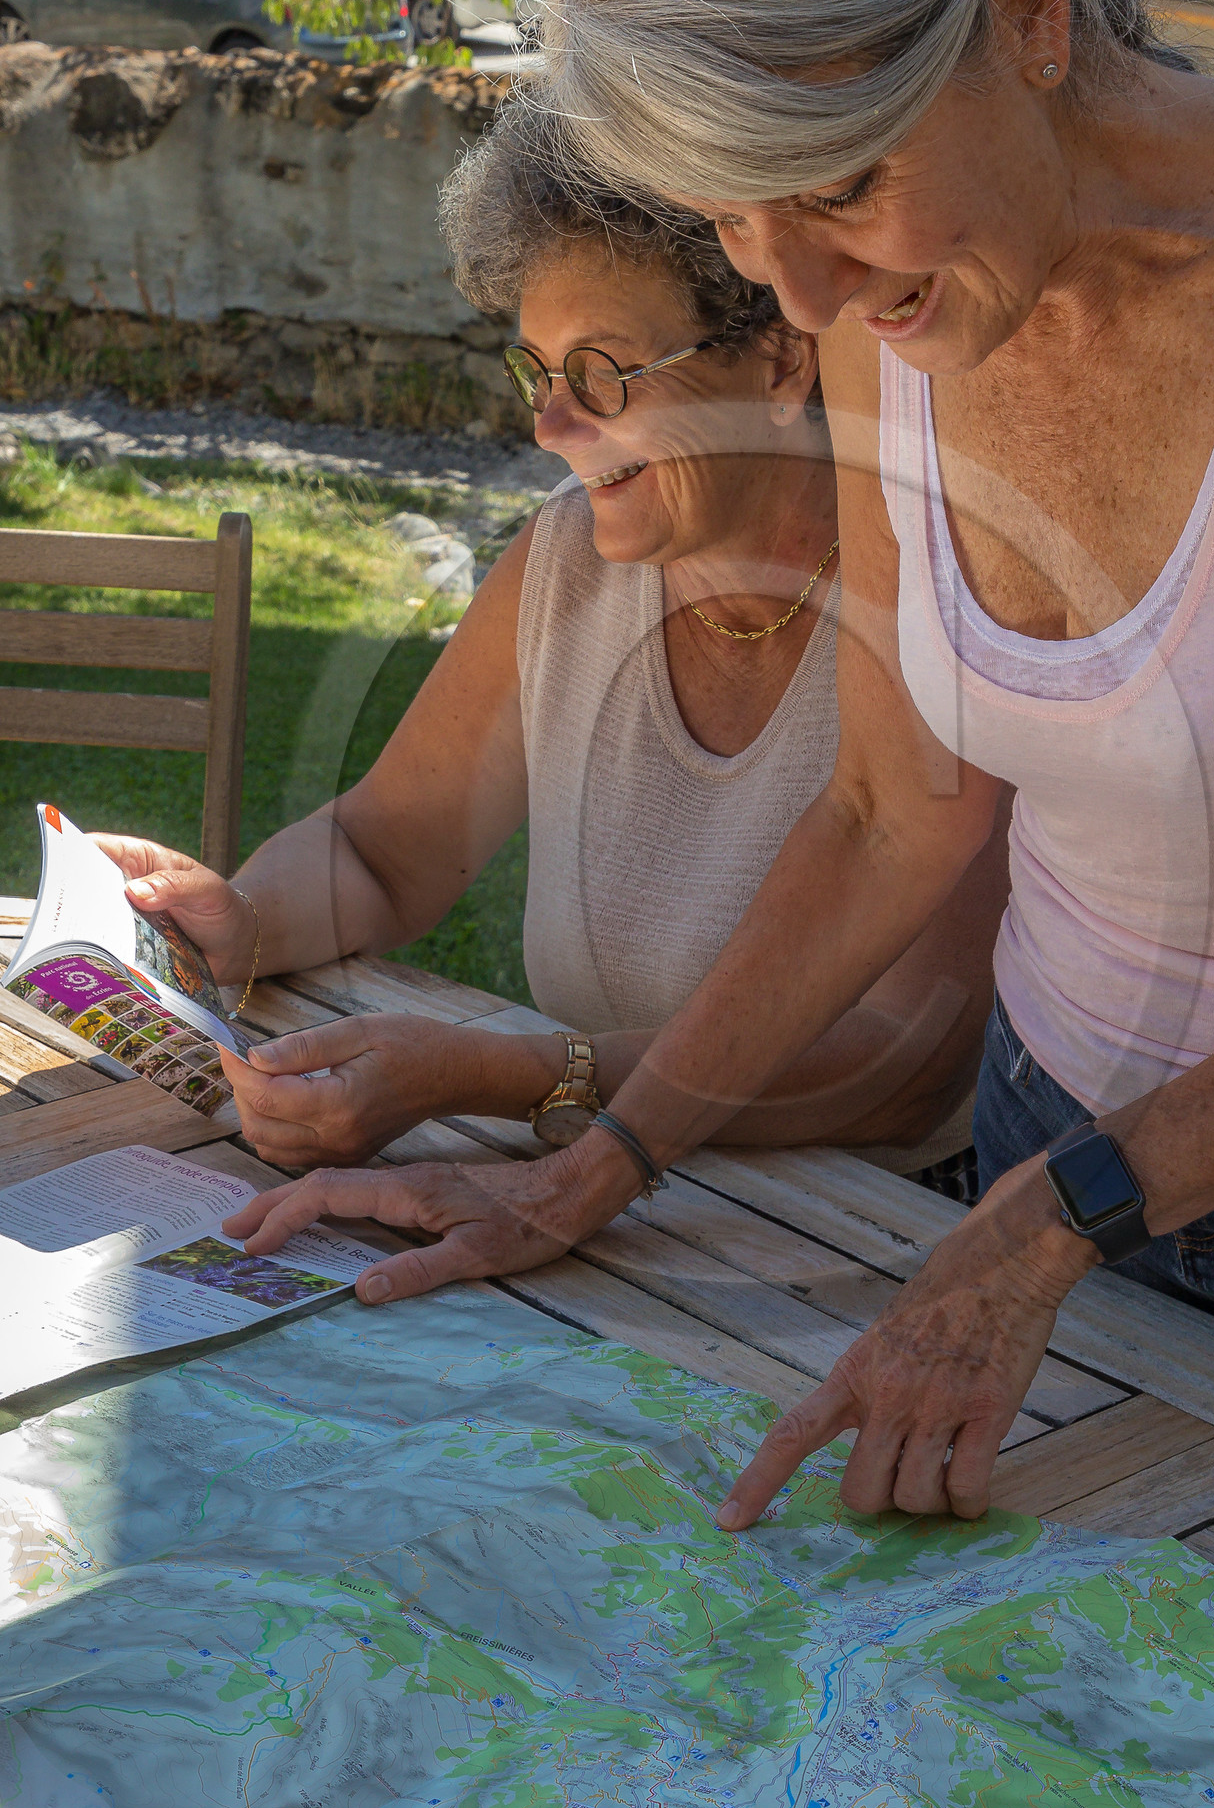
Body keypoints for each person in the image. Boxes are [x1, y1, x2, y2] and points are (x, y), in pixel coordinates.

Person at [228, 0, 1214, 1508]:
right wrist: (597, 1161)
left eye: (839, 188)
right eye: (738, 215)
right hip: (1044, 1173)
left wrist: (1055, 1216)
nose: (801, 281)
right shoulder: (890, 307)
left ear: (1025, 14)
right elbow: (886, 813)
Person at [99, 96, 1005, 1187]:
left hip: (868, 1234)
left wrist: (503, 1075)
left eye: (601, 373)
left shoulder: (938, 598)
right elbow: (386, 852)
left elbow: (903, 1068)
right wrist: (240, 921)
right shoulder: (567, 561)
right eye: (536, 374)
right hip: (606, 1200)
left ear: (778, 361)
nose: (550, 426)